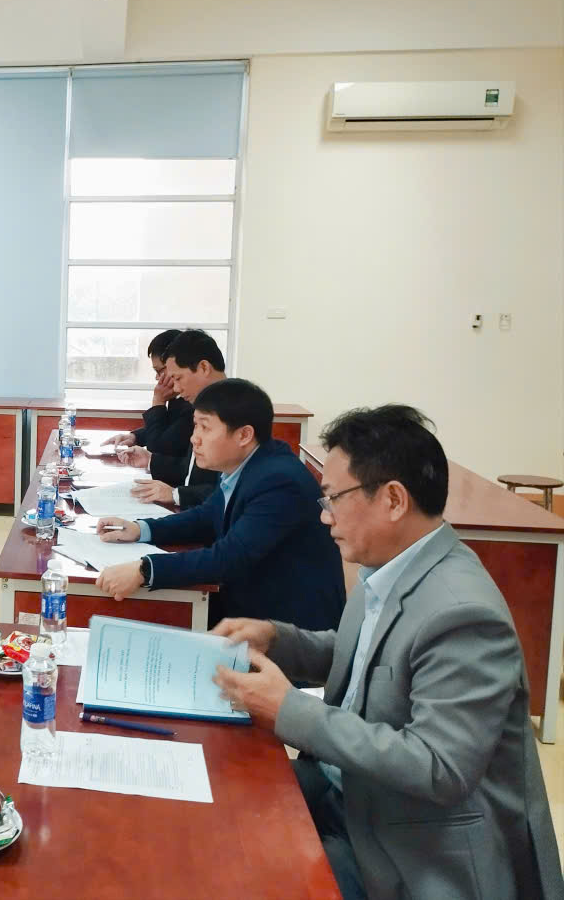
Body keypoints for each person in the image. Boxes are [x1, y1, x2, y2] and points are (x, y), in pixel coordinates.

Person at [211, 405, 563, 900]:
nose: (324, 515)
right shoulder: (390, 566)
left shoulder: (463, 613)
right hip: (349, 795)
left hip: (411, 850)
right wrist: (278, 639)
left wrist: (288, 710)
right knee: (220, 812)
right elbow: (366, 658)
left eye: (334, 498)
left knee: (245, 876)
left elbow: (439, 766)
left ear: (393, 500)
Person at [94, 378, 345, 631]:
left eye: (205, 428)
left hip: (289, 627)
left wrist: (144, 569)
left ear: (244, 435)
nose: (195, 439)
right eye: (195, 426)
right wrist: (141, 529)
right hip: (248, 604)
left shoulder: (278, 481)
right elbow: (206, 516)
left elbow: (229, 557)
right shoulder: (247, 463)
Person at [116, 329, 227, 509]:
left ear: (204, 368)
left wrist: (176, 494)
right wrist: (150, 460)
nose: (176, 388)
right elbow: (191, 472)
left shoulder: (232, 411)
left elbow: (231, 490)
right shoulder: (205, 405)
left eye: (178, 378)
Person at [102, 330, 188, 454]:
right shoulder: (177, 398)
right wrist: (134, 437)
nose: (157, 377)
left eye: (159, 371)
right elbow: (168, 431)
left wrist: (158, 401)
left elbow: (157, 448)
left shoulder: (193, 402)